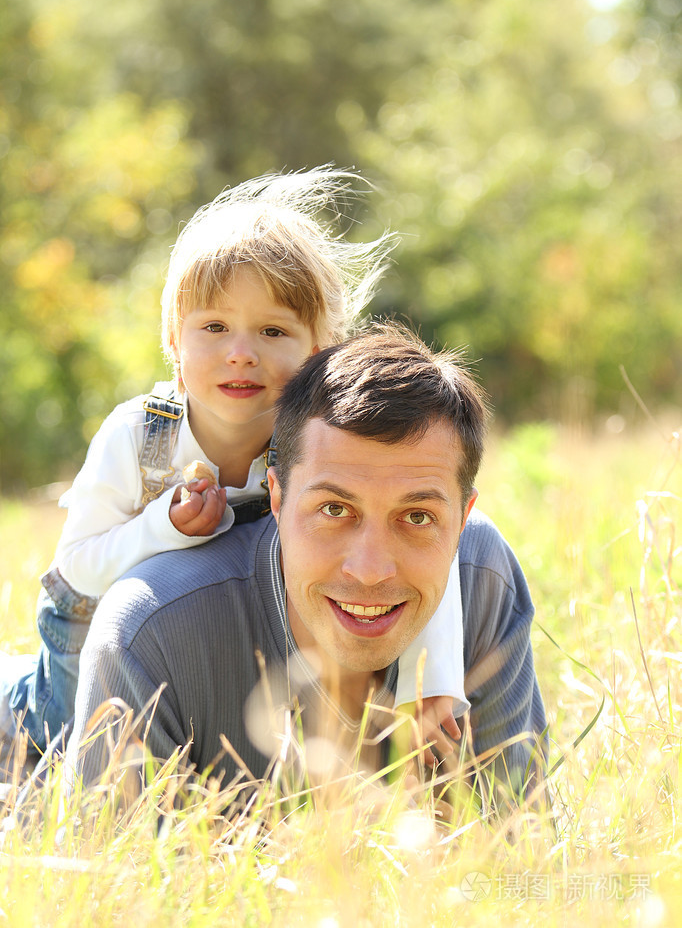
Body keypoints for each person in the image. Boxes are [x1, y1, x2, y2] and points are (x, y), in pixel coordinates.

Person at [0, 168, 467, 771]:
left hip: (200, 637)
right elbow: (76, 565)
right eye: (214, 327)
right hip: (88, 634)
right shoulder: (140, 435)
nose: (241, 351)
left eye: (273, 330)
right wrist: (164, 529)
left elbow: (435, 544)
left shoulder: (320, 443)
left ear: (320, 349)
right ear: (173, 337)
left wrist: (433, 683)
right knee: (52, 752)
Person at [65, 325, 547, 807]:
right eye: (335, 510)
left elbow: (517, 851)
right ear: (275, 497)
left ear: (463, 519)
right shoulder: (148, 635)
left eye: (417, 517)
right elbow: (113, 879)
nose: (370, 570)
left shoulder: (481, 577)